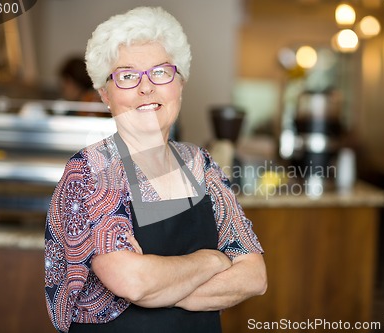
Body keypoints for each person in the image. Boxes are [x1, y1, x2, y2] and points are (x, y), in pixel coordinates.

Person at [44, 6, 267, 333]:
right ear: (106, 94)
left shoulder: (200, 165)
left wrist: (162, 285)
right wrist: (214, 260)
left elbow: (254, 276)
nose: (146, 88)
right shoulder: (92, 170)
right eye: (128, 76)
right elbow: (134, 283)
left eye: (161, 72)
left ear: (180, 83)